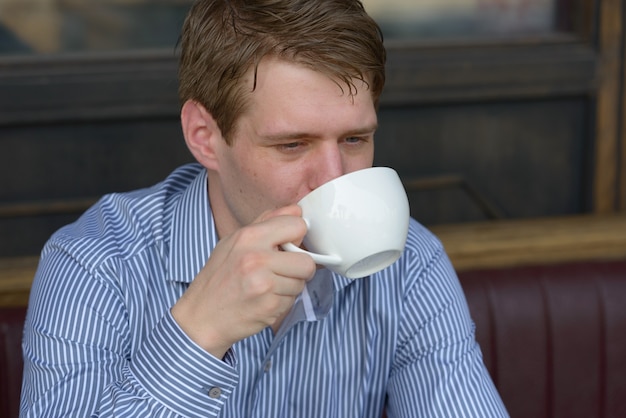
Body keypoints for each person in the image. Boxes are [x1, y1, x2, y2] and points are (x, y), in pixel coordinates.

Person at [20, 0, 509, 416]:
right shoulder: (95, 263)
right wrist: (199, 331)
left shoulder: (408, 261)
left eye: (355, 138)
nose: (336, 177)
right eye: (293, 145)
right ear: (204, 137)